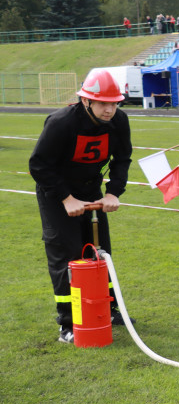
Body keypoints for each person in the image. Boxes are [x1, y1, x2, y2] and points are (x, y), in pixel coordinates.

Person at [29, 69, 133, 344]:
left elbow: (122, 158)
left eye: (114, 103)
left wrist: (112, 193)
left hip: (91, 190)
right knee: (68, 255)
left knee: (100, 251)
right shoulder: (61, 122)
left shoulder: (120, 121)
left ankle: (108, 310)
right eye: (103, 103)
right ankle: (67, 323)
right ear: (86, 101)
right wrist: (66, 198)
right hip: (57, 194)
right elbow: (39, 165)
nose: (110, 109)